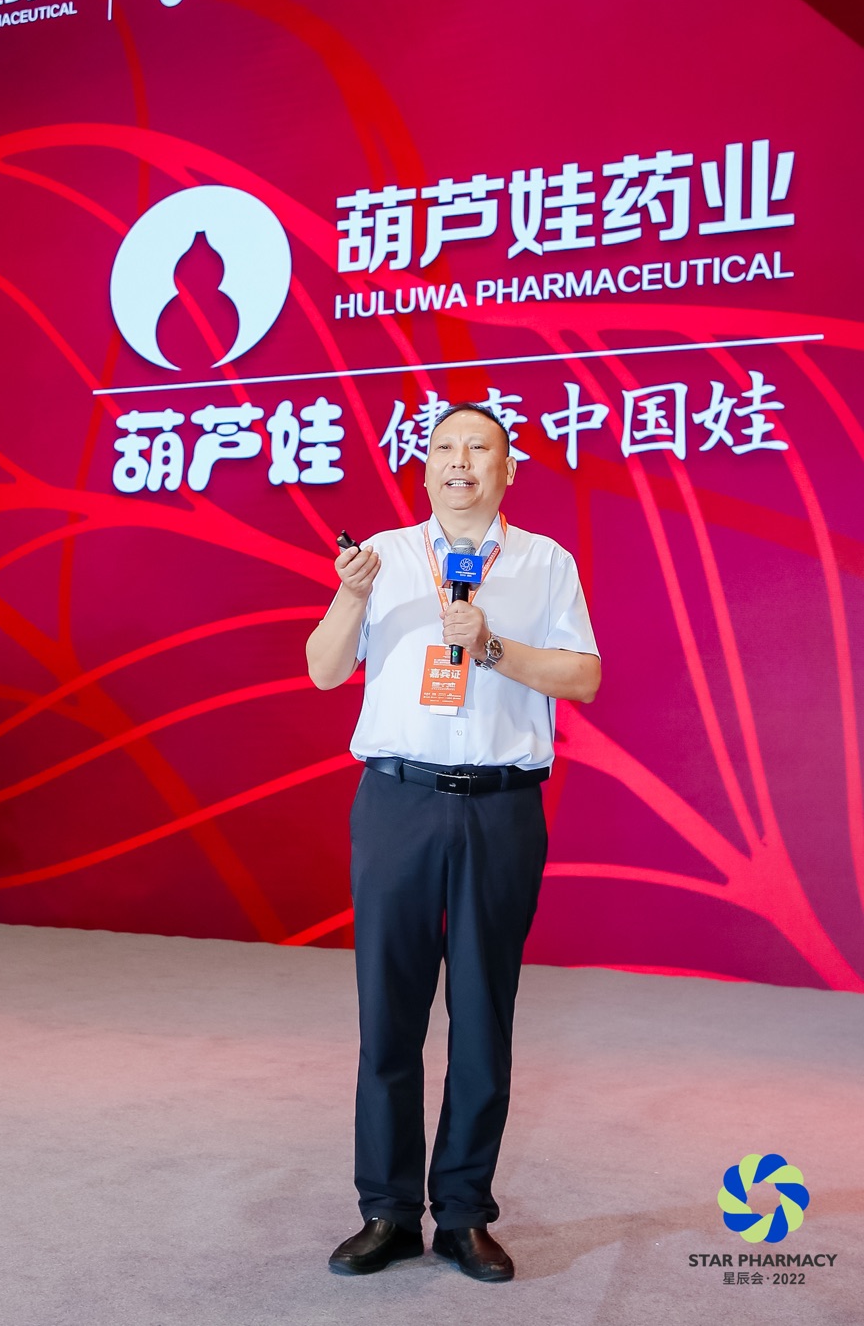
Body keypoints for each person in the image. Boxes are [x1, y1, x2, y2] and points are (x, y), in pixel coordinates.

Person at [306, 402, 600, 1283]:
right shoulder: (383, 558)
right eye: (442, 447)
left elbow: (583, 676)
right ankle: (388, 1211)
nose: (458, 460)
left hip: (500, 810)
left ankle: (464, 1214)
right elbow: (324, 669)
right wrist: (351, 594)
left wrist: (494, 647)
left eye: (478, 447)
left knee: (481, 1016)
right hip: (396, 803)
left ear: (507, 470)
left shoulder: (545, 563)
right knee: (388, 1014)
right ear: (425, 467)